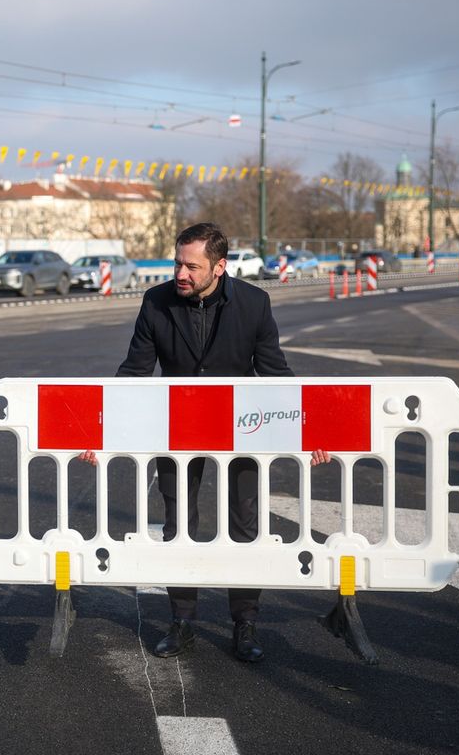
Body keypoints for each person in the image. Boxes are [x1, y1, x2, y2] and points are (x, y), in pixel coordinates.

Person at [84, 222, 329, 663]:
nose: (180, 273)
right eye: (178, 263)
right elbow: (134, 372)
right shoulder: (155, 301)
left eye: (191, 266)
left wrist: (310, 430)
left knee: (245, 523)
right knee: (179, 522)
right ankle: (182, 622)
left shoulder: (254, 303)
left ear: (219, 267)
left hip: (244, 426)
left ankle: (245, 624)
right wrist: (100, 433)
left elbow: (275, 372)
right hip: (177, 428)